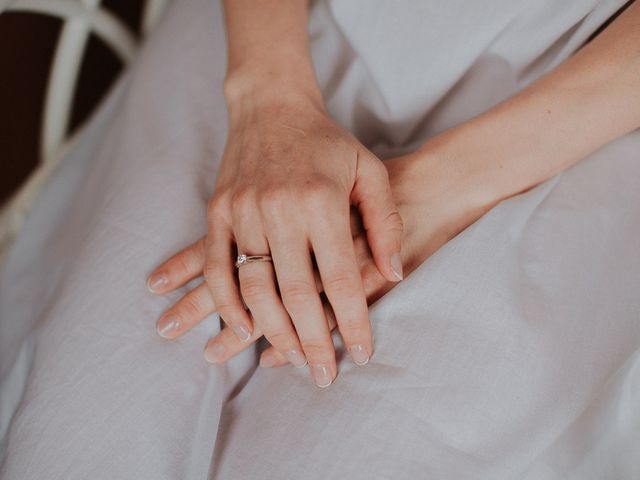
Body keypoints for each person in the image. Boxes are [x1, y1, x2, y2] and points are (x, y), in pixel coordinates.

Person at [1, 0, 639, 478]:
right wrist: (266, 101)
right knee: (78, 433)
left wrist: (439, 187)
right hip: (274, 32)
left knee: (361, 449)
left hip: (585, 101)